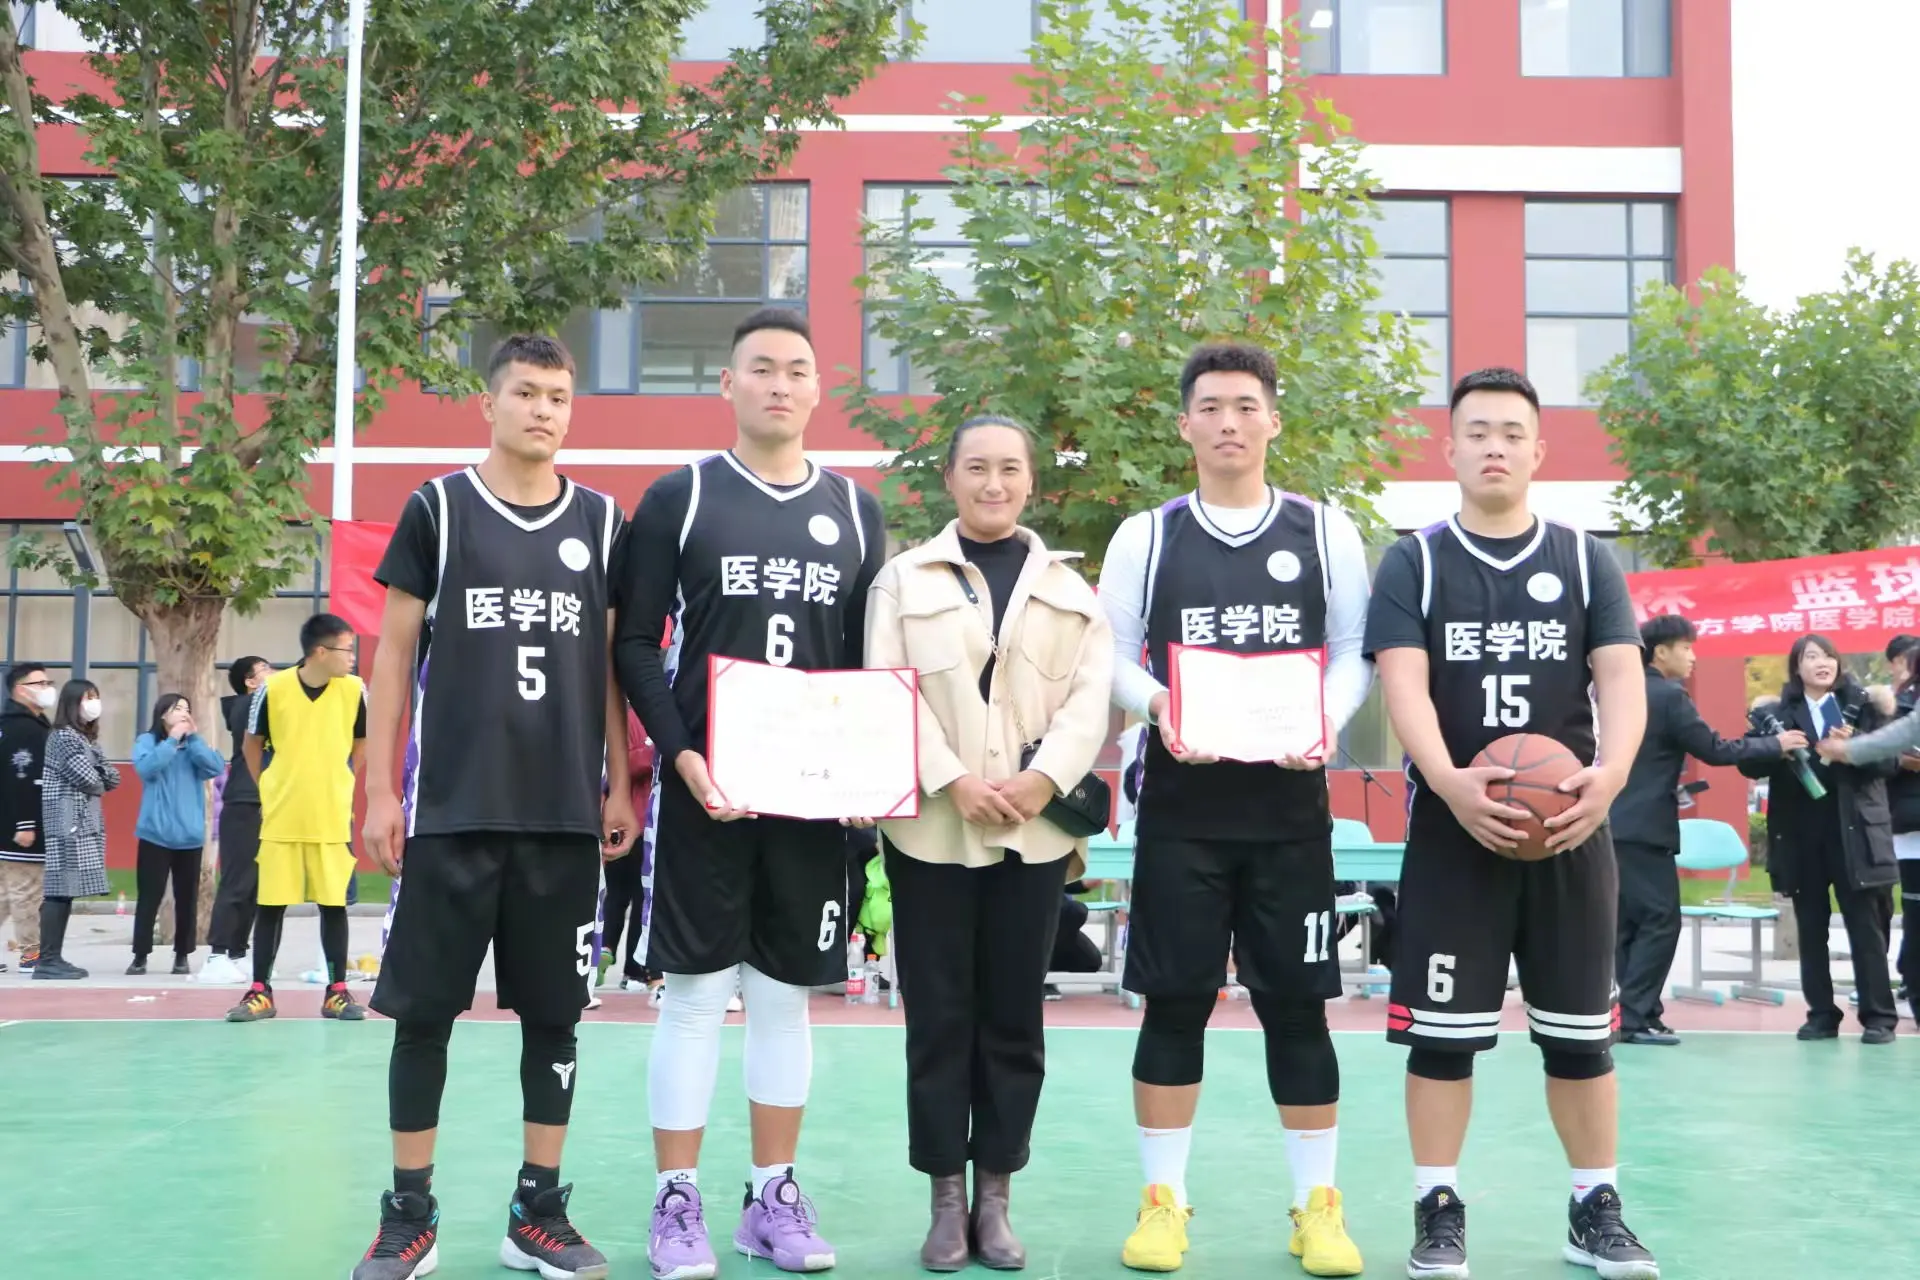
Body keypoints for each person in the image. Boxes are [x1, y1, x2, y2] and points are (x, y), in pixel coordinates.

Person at [1362, 367, 1656, 1280]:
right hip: (1456, 834)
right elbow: (1403, 685)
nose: (1495, 446)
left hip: (1568, 830)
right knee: (1441, 1040)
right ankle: (1437, 1205)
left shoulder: (1585, 559)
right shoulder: (1414, 561)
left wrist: (1610, 777)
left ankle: (1594, 1206)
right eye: (1478, 431)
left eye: (1512, 433)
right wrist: (1449, 782)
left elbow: (1621, 679)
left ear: (1538, 450)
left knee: (1581, 1037)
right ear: (1448, 448)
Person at [353, 333, 635, 1280]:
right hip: (453, 812)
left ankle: (537, 1212)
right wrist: (381, 789)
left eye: (558, 396)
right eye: (526, 392)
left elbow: (608, 666)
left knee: (556, 1020)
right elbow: (393, 659)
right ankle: (410, 1213)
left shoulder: (601, 521)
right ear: (489, 403)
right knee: (422, 1017)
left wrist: (620, 781)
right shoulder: (438, 508)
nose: (543, 410)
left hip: (561, 816)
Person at [615, 307, 884, 1279]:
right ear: (726, 384)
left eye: (797, 369)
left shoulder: (856, 510)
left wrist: (865, 768)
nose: (779, 383)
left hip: (809, 800)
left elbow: (867, 657)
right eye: (760, 368)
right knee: (693, 996)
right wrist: (682, 756)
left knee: (782, 999)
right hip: (708, 791)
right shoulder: (680, 498)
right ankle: (675, 1201)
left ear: (817, 390)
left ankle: (772, 1195)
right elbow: (635, 641)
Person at [1096, 343, 1372, 1277]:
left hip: (1289, 811)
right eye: (1210, 407)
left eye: (1246, 406)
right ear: (1185, 425)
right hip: (1182, 810)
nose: (1228, 422)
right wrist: (1159, 704)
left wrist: (1324, 719)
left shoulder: (1324, 531)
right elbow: (1111, 654)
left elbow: (1353, 651)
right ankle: (1163, 1204)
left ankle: (1317, 1208)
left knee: (1298, 1010)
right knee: (1174, 1004)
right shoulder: (1147, 535)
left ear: (1273, 422)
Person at [863, 414, 1114, 1271]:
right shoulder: (903, 580)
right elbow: (887, 689)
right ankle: (945, 1199)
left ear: (1031, 481)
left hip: (1031, 837)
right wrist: (950, 779)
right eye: (976, 467)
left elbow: (1089, 704)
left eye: (1010, 468)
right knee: (938, 1020)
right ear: (950, 478)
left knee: (1013, 1020)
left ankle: (997, 1197)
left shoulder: (1072, 594)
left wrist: (1043, 782)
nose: (994, 483)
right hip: (933, 832)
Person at [1608, 616, 1800, 1045]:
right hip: (1644, 829)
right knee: (1660, 921)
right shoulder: (1668, 695)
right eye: (1686, 648)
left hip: (1613, 823)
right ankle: (1634, 1018)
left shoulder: (1618, 691)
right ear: (1660, 651)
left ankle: (1636, 1013)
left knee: (1628, 925)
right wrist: (1775, 744)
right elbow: (1713, 749)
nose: (1693, 656)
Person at [1755, 634, 1899, 1042]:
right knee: (1811, 928)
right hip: (1802, 836)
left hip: (1855, 834)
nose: (1823, 663)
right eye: (1812, 657)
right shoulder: (1777, 714)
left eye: (1829, 656)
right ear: (1796, 667)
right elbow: (1748, 765)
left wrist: (1854, 747)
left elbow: (1890, 762)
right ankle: (1821, 1014)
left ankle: (1878, 1017)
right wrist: (1775, 747)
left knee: (1866, 928)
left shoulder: (1864, 707)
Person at [229, 614, 368, 1023]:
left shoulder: (355, 691)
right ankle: (260, 991)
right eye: (347, 649)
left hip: (331, 816)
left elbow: (362, 743)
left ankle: (337, 992)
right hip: (282, 816)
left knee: (333, 904)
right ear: (320, 651)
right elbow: (251, 745)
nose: (353, 658)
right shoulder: (273, 690)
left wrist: (341, 778)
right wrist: (270, 785)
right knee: (271, 904)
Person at [127, 693, 225, 976]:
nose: (183, 712)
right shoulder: (148, 741)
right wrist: (171, 740)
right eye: (177, 708)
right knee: (149, 897)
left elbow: (215, 767)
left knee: (187, 899)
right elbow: (146, 768)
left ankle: (182, 955)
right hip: (155, 834)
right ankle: (140, 955)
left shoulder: (194, 746)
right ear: (162, 714)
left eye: (186, 708)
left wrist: (192, 739)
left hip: (190, 836)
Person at [34, 680, 118, 980]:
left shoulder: (87, 740)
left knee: (66, 891)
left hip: (80, 822)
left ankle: (53, 957)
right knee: (59, 889)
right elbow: (90, 779)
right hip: (66, 821)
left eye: (96, 696)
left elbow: (113, 778)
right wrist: (99, 771)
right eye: (87, 698)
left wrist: (99, 771)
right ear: (72, 703)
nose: (93, 703)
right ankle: (47, 960)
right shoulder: (64, 737)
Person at [0, 662, 56, 973]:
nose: (48, 688)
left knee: (4, 893)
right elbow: (20, 778)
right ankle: (31, 954)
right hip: (22, 825)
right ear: (21, 690)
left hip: (7, 823)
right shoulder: (25, 730)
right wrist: (25, 824)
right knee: (27, 893)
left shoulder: (15, 725)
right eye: (41, 683)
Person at [598, 706, 655, 992]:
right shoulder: (627, 717)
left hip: (647, 824)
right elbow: (624, 764)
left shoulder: (650, 715)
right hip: (626, 823)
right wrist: (656, 751)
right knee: (620, 895)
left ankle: (627, 964)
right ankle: (611, 956)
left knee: (638, 897)